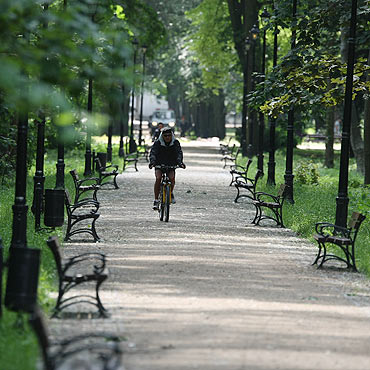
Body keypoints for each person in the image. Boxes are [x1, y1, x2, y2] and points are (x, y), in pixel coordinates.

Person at [149, 127, 186, 210]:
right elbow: (153, 153)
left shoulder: (175, 143)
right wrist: (152, 162)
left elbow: (179, 153)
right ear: (162, 136)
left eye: (169, 136)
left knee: (172, 178)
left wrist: (180, 163)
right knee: (158, 178)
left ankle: (170, 192)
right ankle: (156, 200)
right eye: (165, 136)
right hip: (159, 164)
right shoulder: (158, 143)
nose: (167, 137)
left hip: (171, 165)